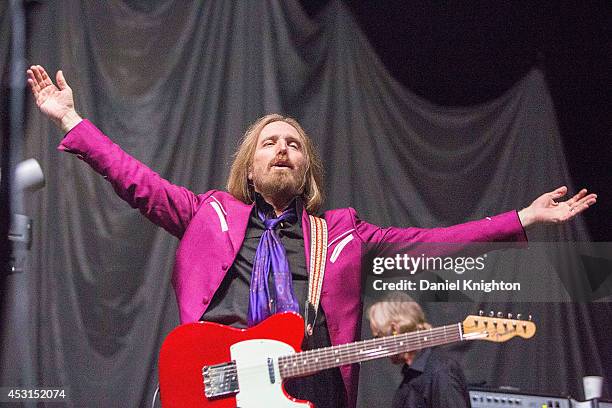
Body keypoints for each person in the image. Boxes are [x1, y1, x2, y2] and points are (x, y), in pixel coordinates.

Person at [26, 65, 596, 408]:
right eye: (269, 142)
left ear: (307, 171)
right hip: (214, 385)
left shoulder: (341, 233)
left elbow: (431, 242)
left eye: (293, 144)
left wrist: (521, 219)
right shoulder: (208, 213)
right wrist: (71, 120)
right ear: (249, 168)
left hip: (306, 390)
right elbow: (136, 180)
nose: (282, 148)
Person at [369, 294, 471, 408]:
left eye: (378, 337)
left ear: (394, 330)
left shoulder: (441, 370)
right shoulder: (412, 374)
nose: (378, 345)